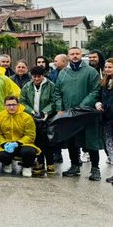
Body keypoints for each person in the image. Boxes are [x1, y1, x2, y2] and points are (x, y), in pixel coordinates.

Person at [54, 47, 103, 181]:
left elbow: (95, 91)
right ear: (68, 56)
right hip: (69, 114)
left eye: (77, 53)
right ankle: (74, 166)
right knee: (71, 140)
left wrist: (82, 106)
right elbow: (57, 92)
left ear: (81, 55)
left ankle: (95, 169)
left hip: (86, 113)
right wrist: (60, 108)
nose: (75, 56)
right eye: (72, 54)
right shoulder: (63, 73)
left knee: (90, 141)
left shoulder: (91, 72)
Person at [20, 66, 56, 176]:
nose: (36, 79)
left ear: (43, 75)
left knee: (48, 141)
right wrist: (31, 112)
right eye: (34, 76)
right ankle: (40, 163)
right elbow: (22, 101)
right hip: (33, 117)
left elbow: (54, 101)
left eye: (39, 76)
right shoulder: (27, 86)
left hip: (47, 117)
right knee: (37, 141)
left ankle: (50, 163)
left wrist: (46, 112)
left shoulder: (51, 86)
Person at [0, 96, 39, 177]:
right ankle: (7, 164)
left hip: (23, 144)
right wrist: (4, 143)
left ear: (18, 105)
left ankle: (27, 167)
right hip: (7, 144)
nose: (11, 107)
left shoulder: (27, 117)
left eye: (14, 104)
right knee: (1, 154)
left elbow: (30, 135)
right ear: (4, 106)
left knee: (29, 152)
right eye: (8, 105)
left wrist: (18, 143)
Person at [95, 58, 113, 177]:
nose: (107, 69)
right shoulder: (104, 82)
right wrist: (98, 103)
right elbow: (99, 97)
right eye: (106, 67)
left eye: (110, 67)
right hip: (107, 118)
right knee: (109, 145)